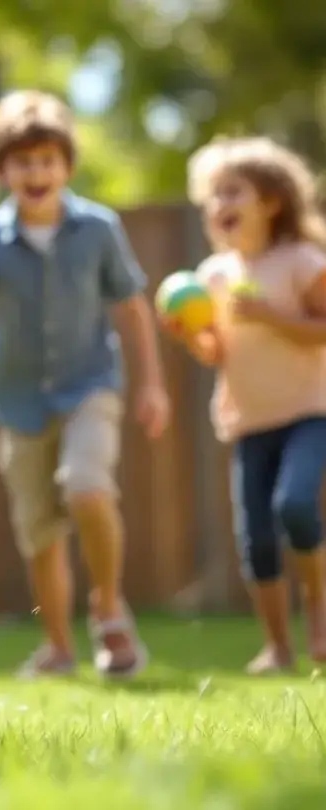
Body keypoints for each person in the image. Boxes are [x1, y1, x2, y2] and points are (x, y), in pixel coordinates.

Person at [0, 90, 170, 679]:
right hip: (20, 402)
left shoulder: (98, 229)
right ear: (1, 170)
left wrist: (153, 384)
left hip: (90, 385)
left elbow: (132, 308)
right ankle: (58, 647)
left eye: (47, 161)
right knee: (41, 533)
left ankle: (108, 607)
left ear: (66, 167)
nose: (36, 173)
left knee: (86, 487)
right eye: (22, 162)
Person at [161, 136, 326, 674]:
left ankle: (319, 618)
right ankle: (278, 648)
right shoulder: (212, 276)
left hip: (308, 412)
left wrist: (269, 315)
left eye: (234, 191)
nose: (220, 204)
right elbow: (216, 351)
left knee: (296, 505)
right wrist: (190, 335)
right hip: (248, 421)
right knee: (254, 537)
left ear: (272, 201)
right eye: (213, 195)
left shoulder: (301, 260)